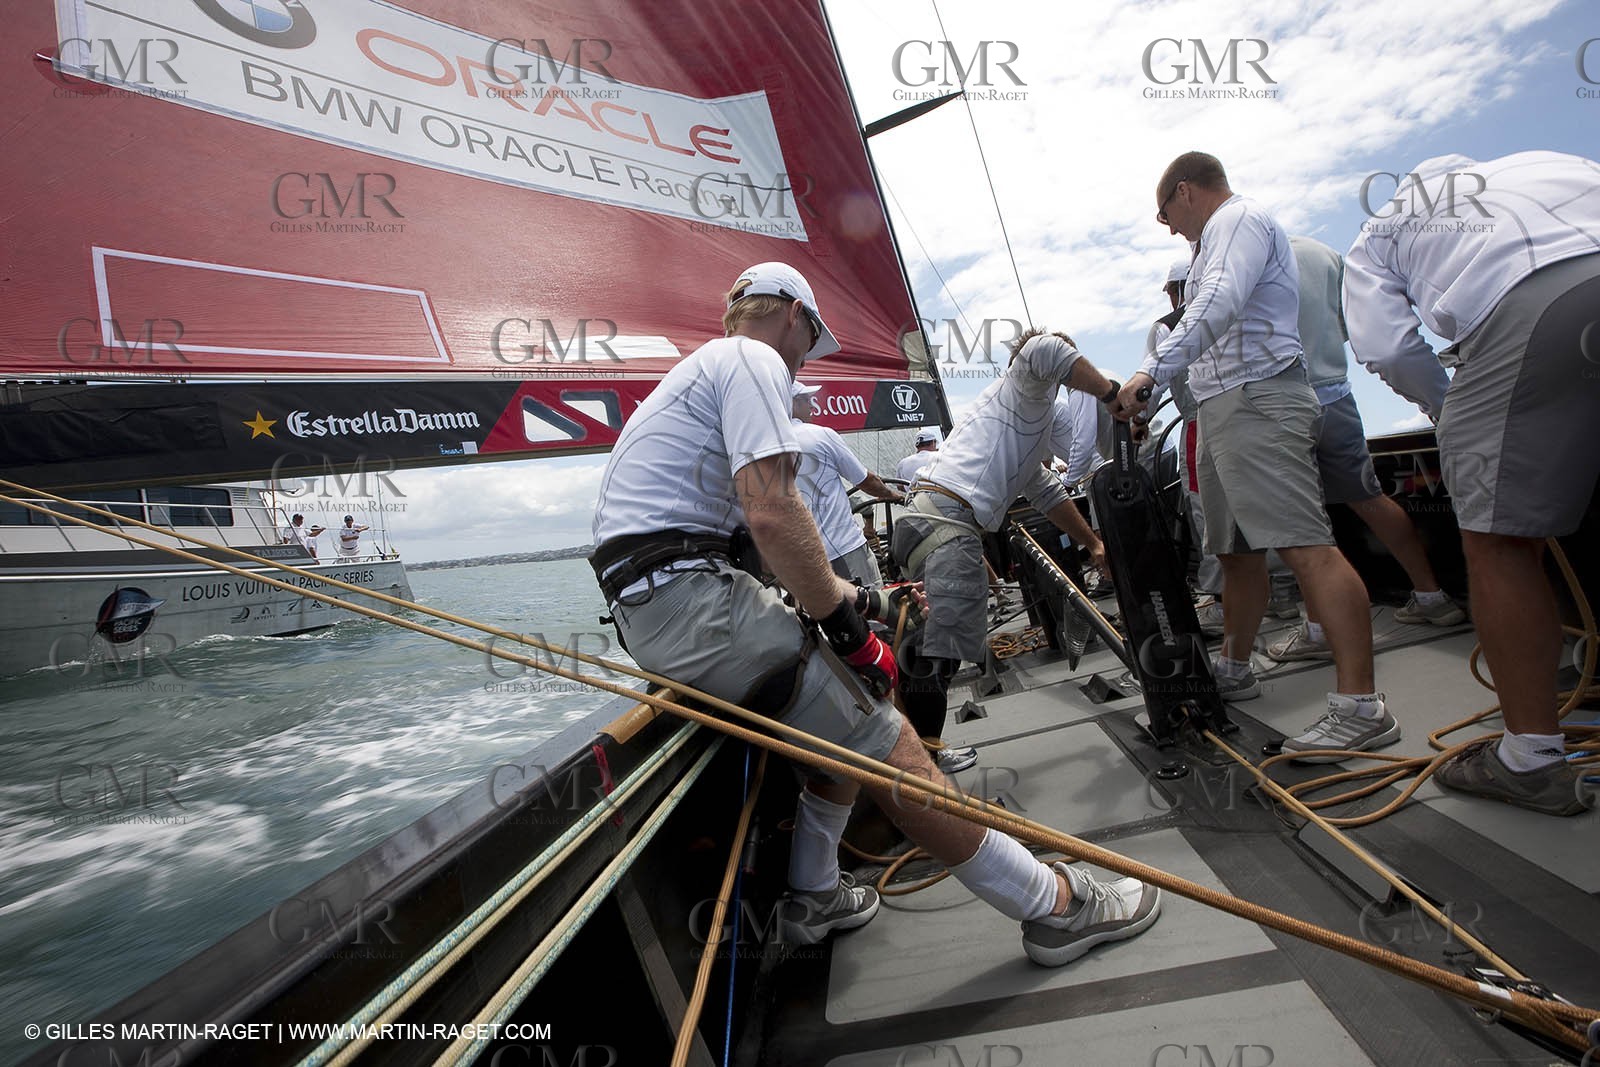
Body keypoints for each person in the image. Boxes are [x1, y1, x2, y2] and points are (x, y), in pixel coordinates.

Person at [590, 261, 1160, 960]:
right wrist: (847, 624)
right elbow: (771, 511)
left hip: (663, 608)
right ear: (795, 318)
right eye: (808, 343)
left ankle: (814, 895)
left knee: (840, 732)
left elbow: (749, 534)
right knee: (888, 741)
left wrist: (860, 599)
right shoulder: (751, 359)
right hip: (697, 600)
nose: (801, 362)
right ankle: (1056, 906)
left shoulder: (698, 373)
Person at [1343, 150, 1600, 815]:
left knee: (1500, 541)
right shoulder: (1546, 160)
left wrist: (1449, 409)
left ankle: (1531, 759)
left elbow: (1390, 347)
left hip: (1526, 306)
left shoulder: (1382, 228)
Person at [1115, 151, 1396, 761]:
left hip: (1258, 398)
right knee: (1235, 552)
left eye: (1163, 212)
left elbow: (1214, 303)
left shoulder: (1235, 222)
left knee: (1305, 547)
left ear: (1185, 192)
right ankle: (1236, 667)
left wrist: (1147, 374)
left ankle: (1361, 708)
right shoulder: (1213, 238)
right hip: (1222, 408)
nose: (1165, 226)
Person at [892, 328, 1115, 774]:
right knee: (940, 651)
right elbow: (1044, 349)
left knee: (926, 647)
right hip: (945, 521)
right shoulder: (1025, 380)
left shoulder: (1028, 423)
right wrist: (1112, 395)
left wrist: (1093, 542)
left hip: (928, 518)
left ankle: (908, 751)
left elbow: (1045, 492)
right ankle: (921, 766)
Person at [1264, 235, 1465, 664]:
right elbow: (1348, 323)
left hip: (1285, 401)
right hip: (1336, 394)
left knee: (1305, 521)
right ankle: (1432, 597)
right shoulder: (1323, 252)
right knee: (1369, 498)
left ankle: (1318, 630)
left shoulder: (1243, 257)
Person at [790, 380, 904, 587]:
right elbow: (865, 480)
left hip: (801, 560)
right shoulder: (820, 434)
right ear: (794, 403)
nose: (812, 406)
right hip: (844, 549)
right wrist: (892, 495)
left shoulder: (766, 444)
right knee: (873, 611)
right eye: (807, 400)